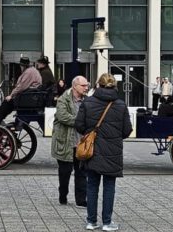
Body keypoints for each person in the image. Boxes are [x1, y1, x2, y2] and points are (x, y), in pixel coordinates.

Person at [76, 73, 132, 232]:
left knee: (92, 185)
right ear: (115, 86)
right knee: (109, 186)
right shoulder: (120, 105)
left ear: (98, 85)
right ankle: (107, 223)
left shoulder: (88, 102)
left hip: (92, 150)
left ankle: (91, 222)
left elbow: (79, 125)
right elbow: (127, 130)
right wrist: (114, 137)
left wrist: (90, 132)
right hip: (113, 151)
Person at [51, 75, 90, 206]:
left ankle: (81, 200)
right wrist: (81, 122)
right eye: (83, 85)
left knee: (82, 173)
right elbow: (63, 117)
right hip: (65, 142)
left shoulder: (88, 101)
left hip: (81, 143)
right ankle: (63, 196)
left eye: (87, 85)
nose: (86, 88)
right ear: (75, 86)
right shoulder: (64, 99)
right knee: (65, 173)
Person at [0, 57, 41, 124]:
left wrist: (11, 96)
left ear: (23, 66)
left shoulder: (28, 72)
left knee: (7, 103)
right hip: (29, 96)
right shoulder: (32, 70)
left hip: (27, 98)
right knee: (7, 103)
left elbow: (21, 87)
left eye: (21, 65)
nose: (20, 67)